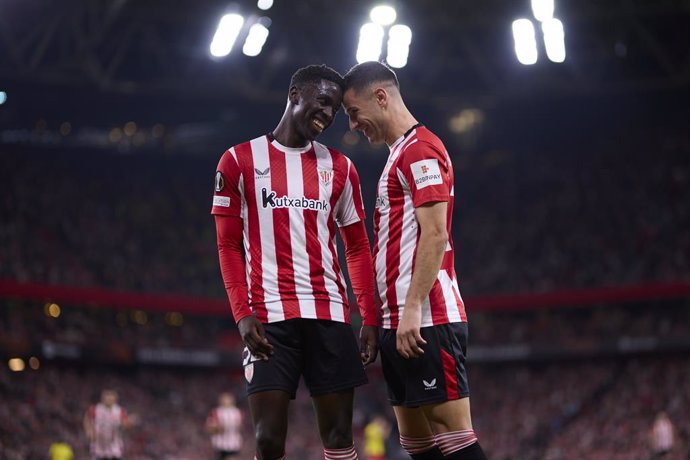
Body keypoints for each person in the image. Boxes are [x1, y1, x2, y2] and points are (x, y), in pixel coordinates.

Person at [212, 64, 378, 460]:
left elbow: (356, 247)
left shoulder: (341, 168)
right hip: (269, 319)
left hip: (329, 315)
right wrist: (242, 313)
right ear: (294, 95)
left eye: (335, 109)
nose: (328, 114)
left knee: (339, 439)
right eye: (322, 102)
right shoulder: (237, 160)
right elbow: (228, 246)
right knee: (268, 441)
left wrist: (369, 315)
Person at [342, 61, 487, 460]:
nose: (353, 125)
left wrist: (411, 308)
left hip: (425, 318)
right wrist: (379, 319)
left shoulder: (421, 150)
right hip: (398, 320)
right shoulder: (397, 154)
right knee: (417, 443)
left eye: (354, 112)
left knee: (454, 437)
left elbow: (435, 234)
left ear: (382, 97)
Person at [83, 389, 134, 460]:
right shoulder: (95, 409)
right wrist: (89, 430)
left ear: (115, 399)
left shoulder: (119, 411)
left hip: (114, 447)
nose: (109, 399)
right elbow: (87, 419)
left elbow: (125, 424)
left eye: (111, 397)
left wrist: (129, 423)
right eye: (107, 396)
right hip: (98, 446)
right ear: (103, 398)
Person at [206, 392, 243, 459]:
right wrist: (219, 428)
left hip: (234, 444)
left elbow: (240, 428)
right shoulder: (216, 412)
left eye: (228, 398)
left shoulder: (236, 412)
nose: (227, 400)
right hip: (220, 445)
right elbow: (210, 428)